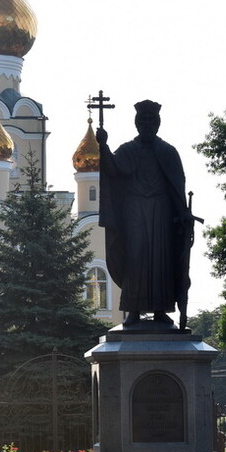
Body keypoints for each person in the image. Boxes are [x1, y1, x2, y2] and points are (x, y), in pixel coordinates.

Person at [96, 100, 195, 329]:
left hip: (161, 210)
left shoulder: (168, 152)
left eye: (152, 120)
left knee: (161, 258)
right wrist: (103, 145)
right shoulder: (129, 149)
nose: (147, 124)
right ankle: (133, 310)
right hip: (134, 209)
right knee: (136, 255)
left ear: (158, 123)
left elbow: (177, 186)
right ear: (137, 123)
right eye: (143, 120)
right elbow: (112, 169)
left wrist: (183, 213)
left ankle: (161, 311)